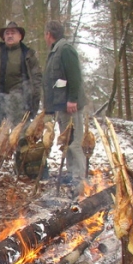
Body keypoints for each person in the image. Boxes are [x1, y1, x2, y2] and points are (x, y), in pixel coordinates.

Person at [43, 20, 87, 192]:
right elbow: (56, 81)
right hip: (62, 106)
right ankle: (71, 174)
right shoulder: (55, 51)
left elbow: (74, 76)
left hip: (70, 106)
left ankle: (79, 179)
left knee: (75, 142)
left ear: (49, 34)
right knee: (66, 142)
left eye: (45, 35)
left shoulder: (65, 50)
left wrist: (72, 99)